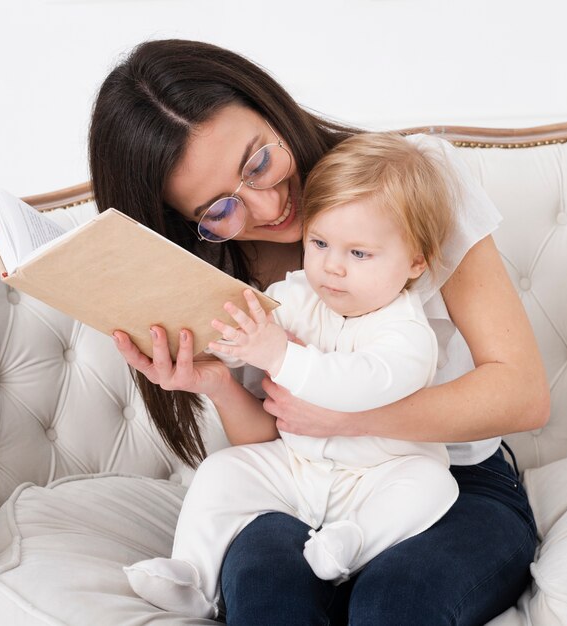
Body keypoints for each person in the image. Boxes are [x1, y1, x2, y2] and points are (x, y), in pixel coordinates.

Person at [89, 39, 549, 626]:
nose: (267, 204)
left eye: (258, 162)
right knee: (265, 589)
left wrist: (348, 417)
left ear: (273, 108)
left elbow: (523, 392)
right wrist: (221, 385)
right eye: (218, 208)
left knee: (392, 602)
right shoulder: (223, 271)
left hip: (446, 479)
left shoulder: (407, 187)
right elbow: (272, 436)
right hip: (302, 479)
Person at [123, 131, 461, 619]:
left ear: (415, 261)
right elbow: (252, 333)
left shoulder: (408, 333)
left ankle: (352, 543)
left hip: (378, 476)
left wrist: (280, 356)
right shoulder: (301, 293)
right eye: (319, 242)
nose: (332, 268)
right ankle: (193, 574)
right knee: (222, 471)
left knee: (432, 484)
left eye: (358, 253)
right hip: (297, 468)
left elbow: (360, 384)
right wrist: (208, 347)